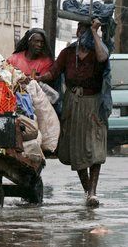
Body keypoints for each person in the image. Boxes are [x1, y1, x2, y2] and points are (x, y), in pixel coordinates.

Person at [38, 18, 108, 207]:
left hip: (93, 105)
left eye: (85, 30)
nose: (80, 32)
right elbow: (53, 73)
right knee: (77, 150)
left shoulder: (98, 51)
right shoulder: (68, 53)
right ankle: (88, 191)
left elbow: (103, 58)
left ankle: (92, 191)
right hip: (72, 104)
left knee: (95, 148)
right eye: (79, 29)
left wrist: (95, 32)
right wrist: (37, 78)